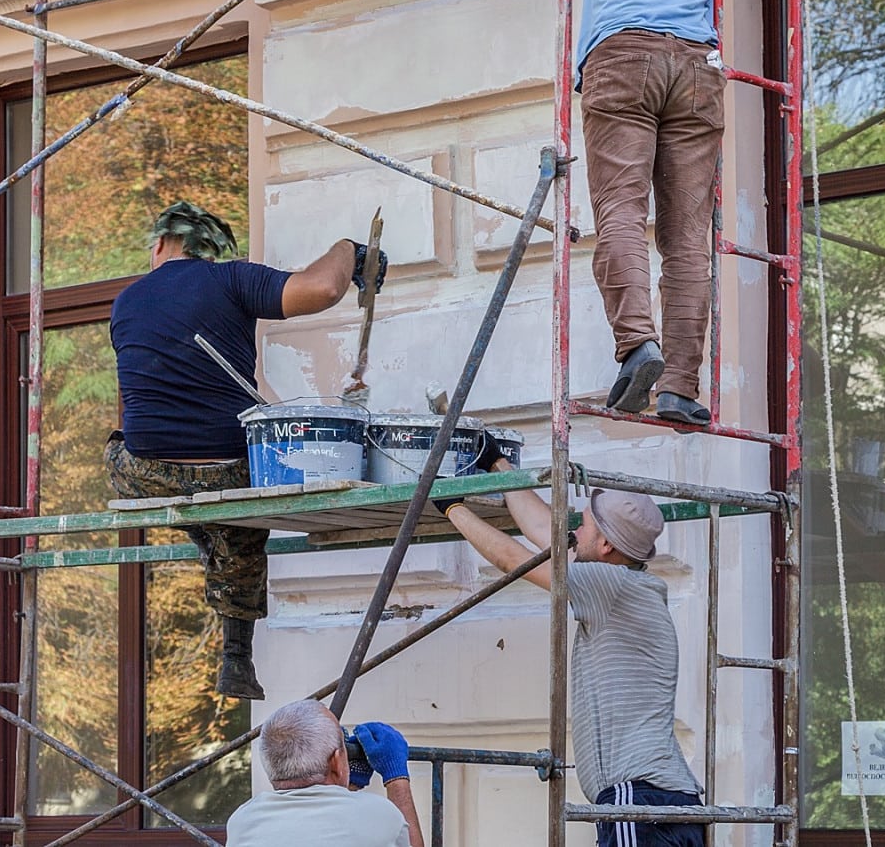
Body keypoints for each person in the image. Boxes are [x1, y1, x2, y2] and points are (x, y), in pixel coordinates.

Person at [493, 0, 781, 426]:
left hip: (624, 60)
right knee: (686, 238)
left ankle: (637, 344)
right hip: (697, 69)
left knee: (621, 210)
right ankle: (679, 385)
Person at [105, 201, 388, 699]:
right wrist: (351, 250)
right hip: (226, 471)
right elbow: (322, 288)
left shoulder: (126, 302)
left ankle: (199, 528)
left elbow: (137, 396)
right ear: (213, 253)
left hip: (147, 472)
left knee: (117, 450)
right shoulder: (231, 281)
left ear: (160, 245)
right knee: (243, 506)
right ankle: (237, 652)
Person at [441, 451, 705, 846]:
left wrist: (452, 507)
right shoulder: (624, 583)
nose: (573, 532)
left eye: (583, 526)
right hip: (658, 799)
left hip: (640, 799)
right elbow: (546, 531)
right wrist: (499, 463)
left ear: (605, 546)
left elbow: (515, 559)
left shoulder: (612, 586)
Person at [225, 699, 425, 847]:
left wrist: (345, 785)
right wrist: (396, 776)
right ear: (337, 760)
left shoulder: (243, 821)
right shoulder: (382, 816)